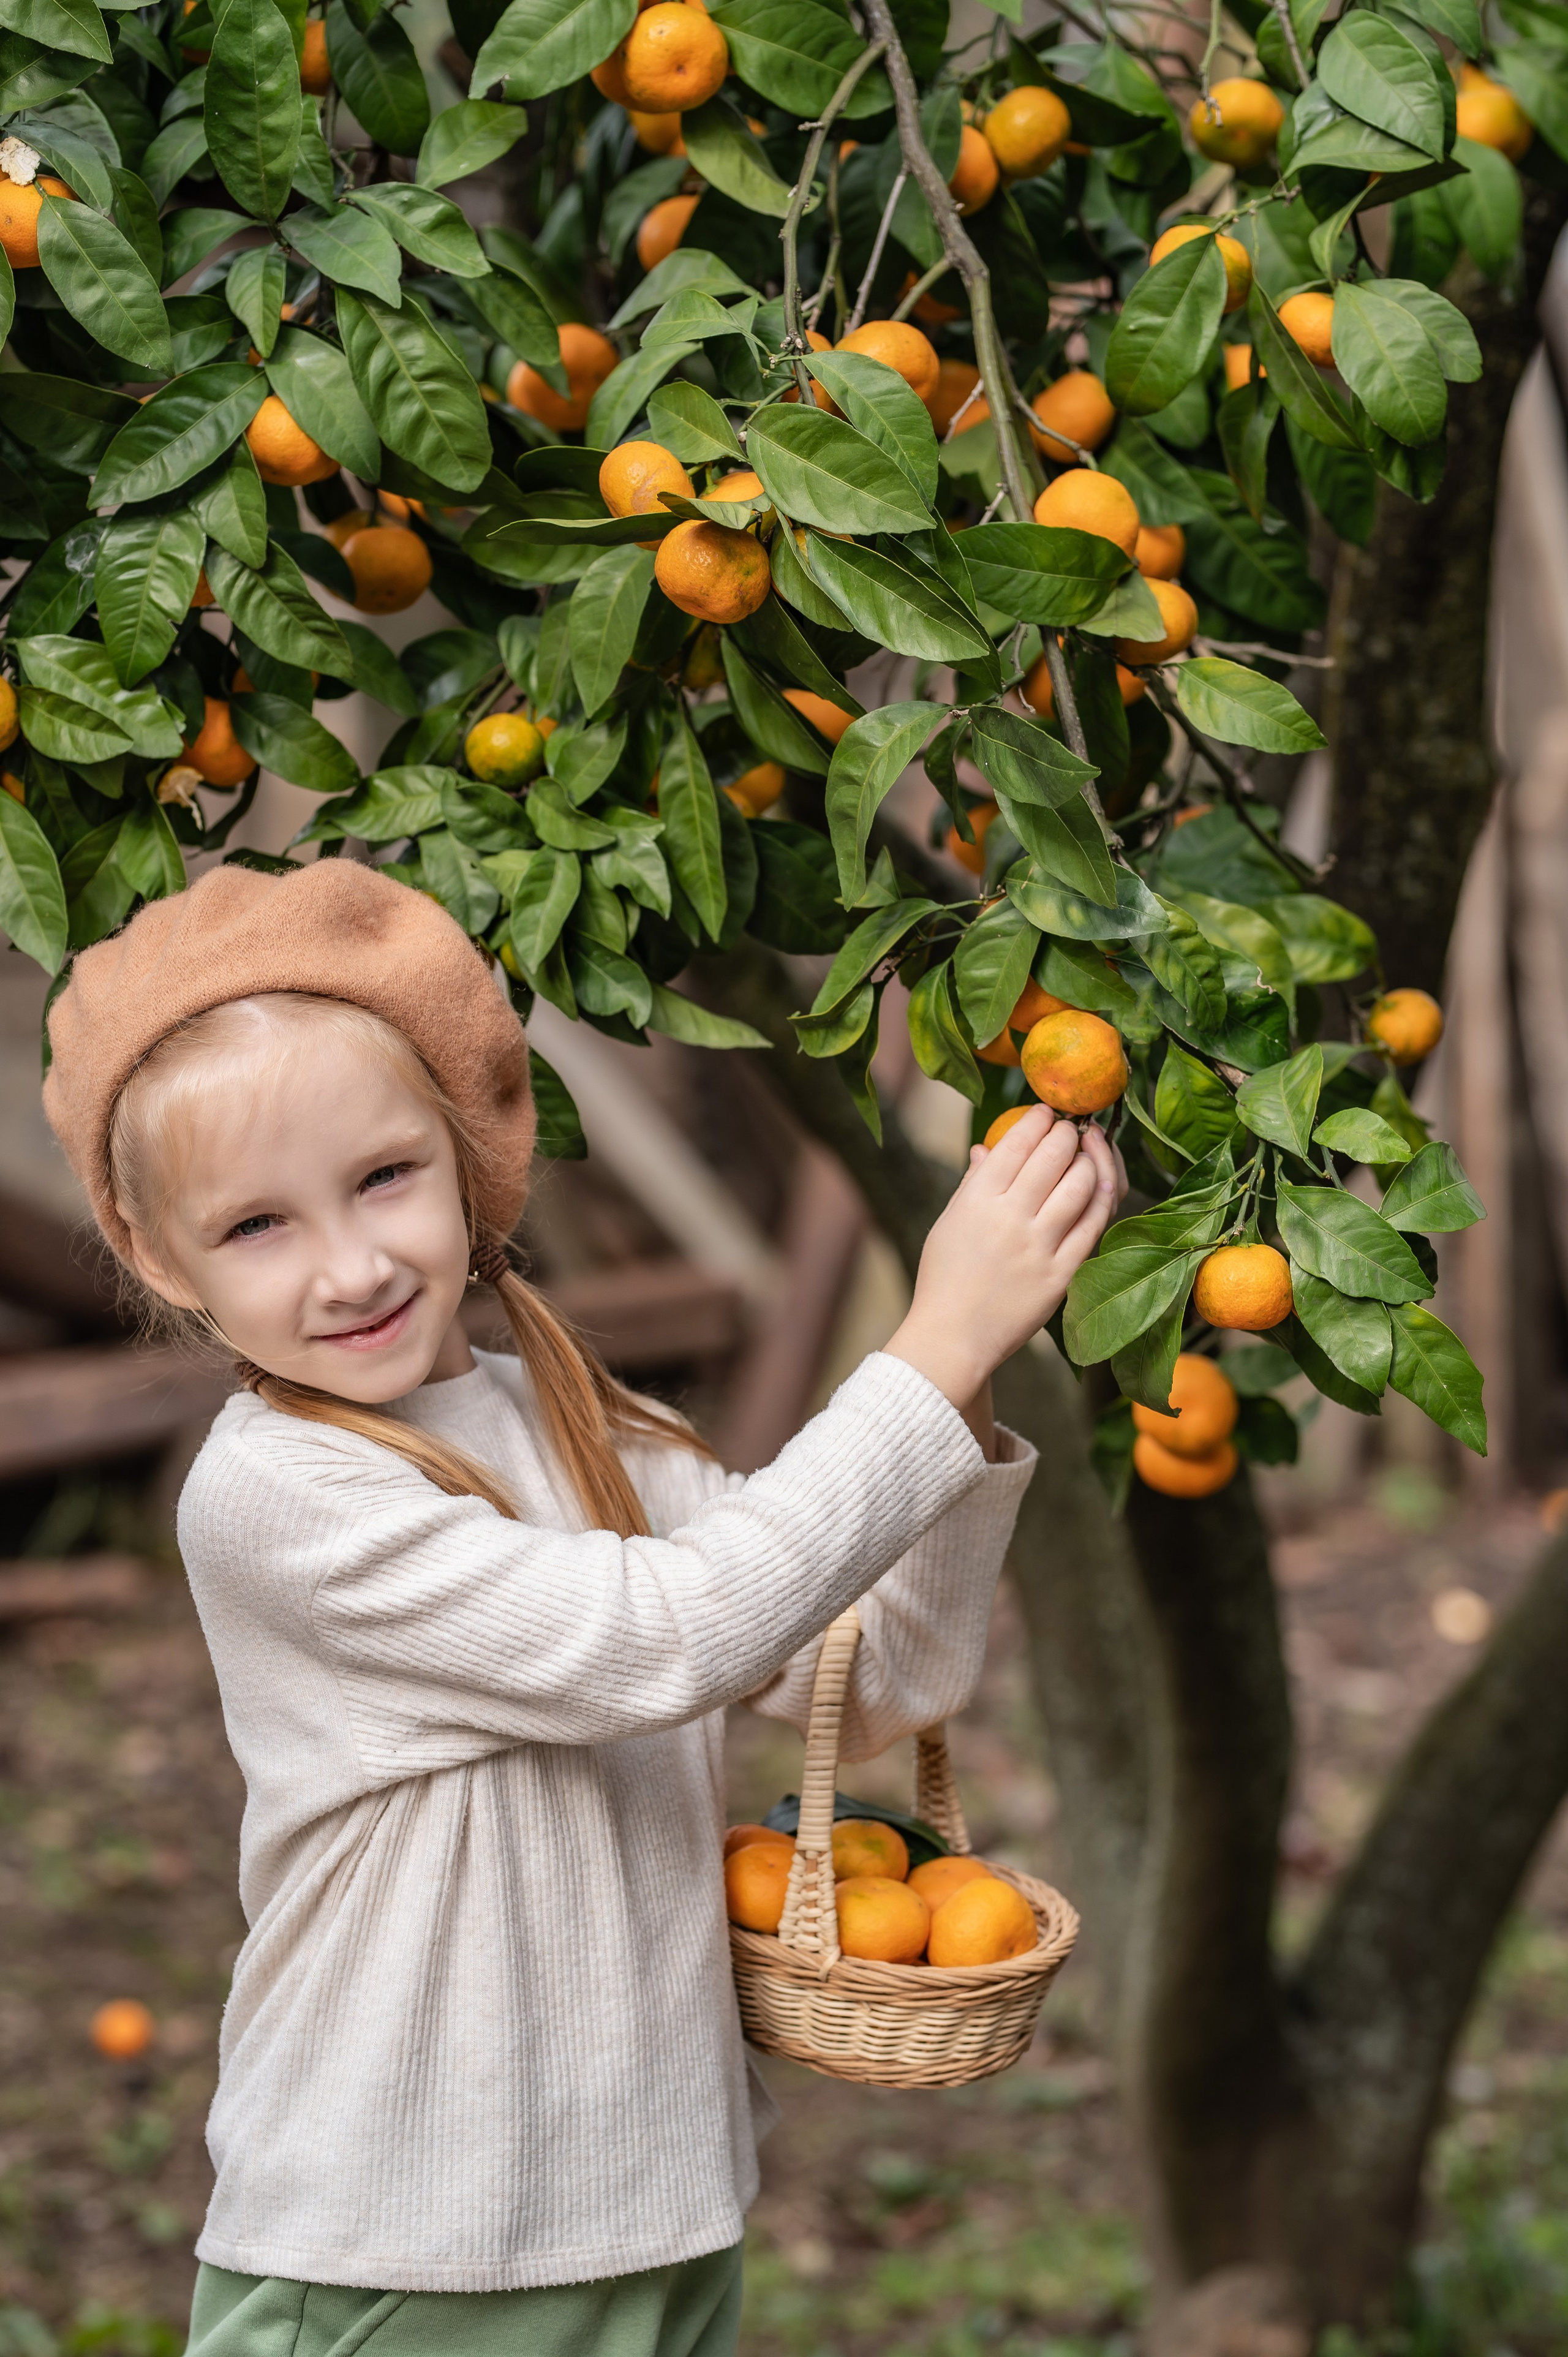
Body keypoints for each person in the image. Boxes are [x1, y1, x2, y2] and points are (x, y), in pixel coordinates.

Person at [43, 859, 1123, 2357]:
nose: (350, 1264)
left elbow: (870, 1679)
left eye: (382, 1178)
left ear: (466, 1159)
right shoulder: (277, 1500)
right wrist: (926, 1347)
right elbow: (664, 1636)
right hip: (410, 2244)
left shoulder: (573, 1425)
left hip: (653, 2208)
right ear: (166, 1258)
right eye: (257, 1227)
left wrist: (973, 1371)